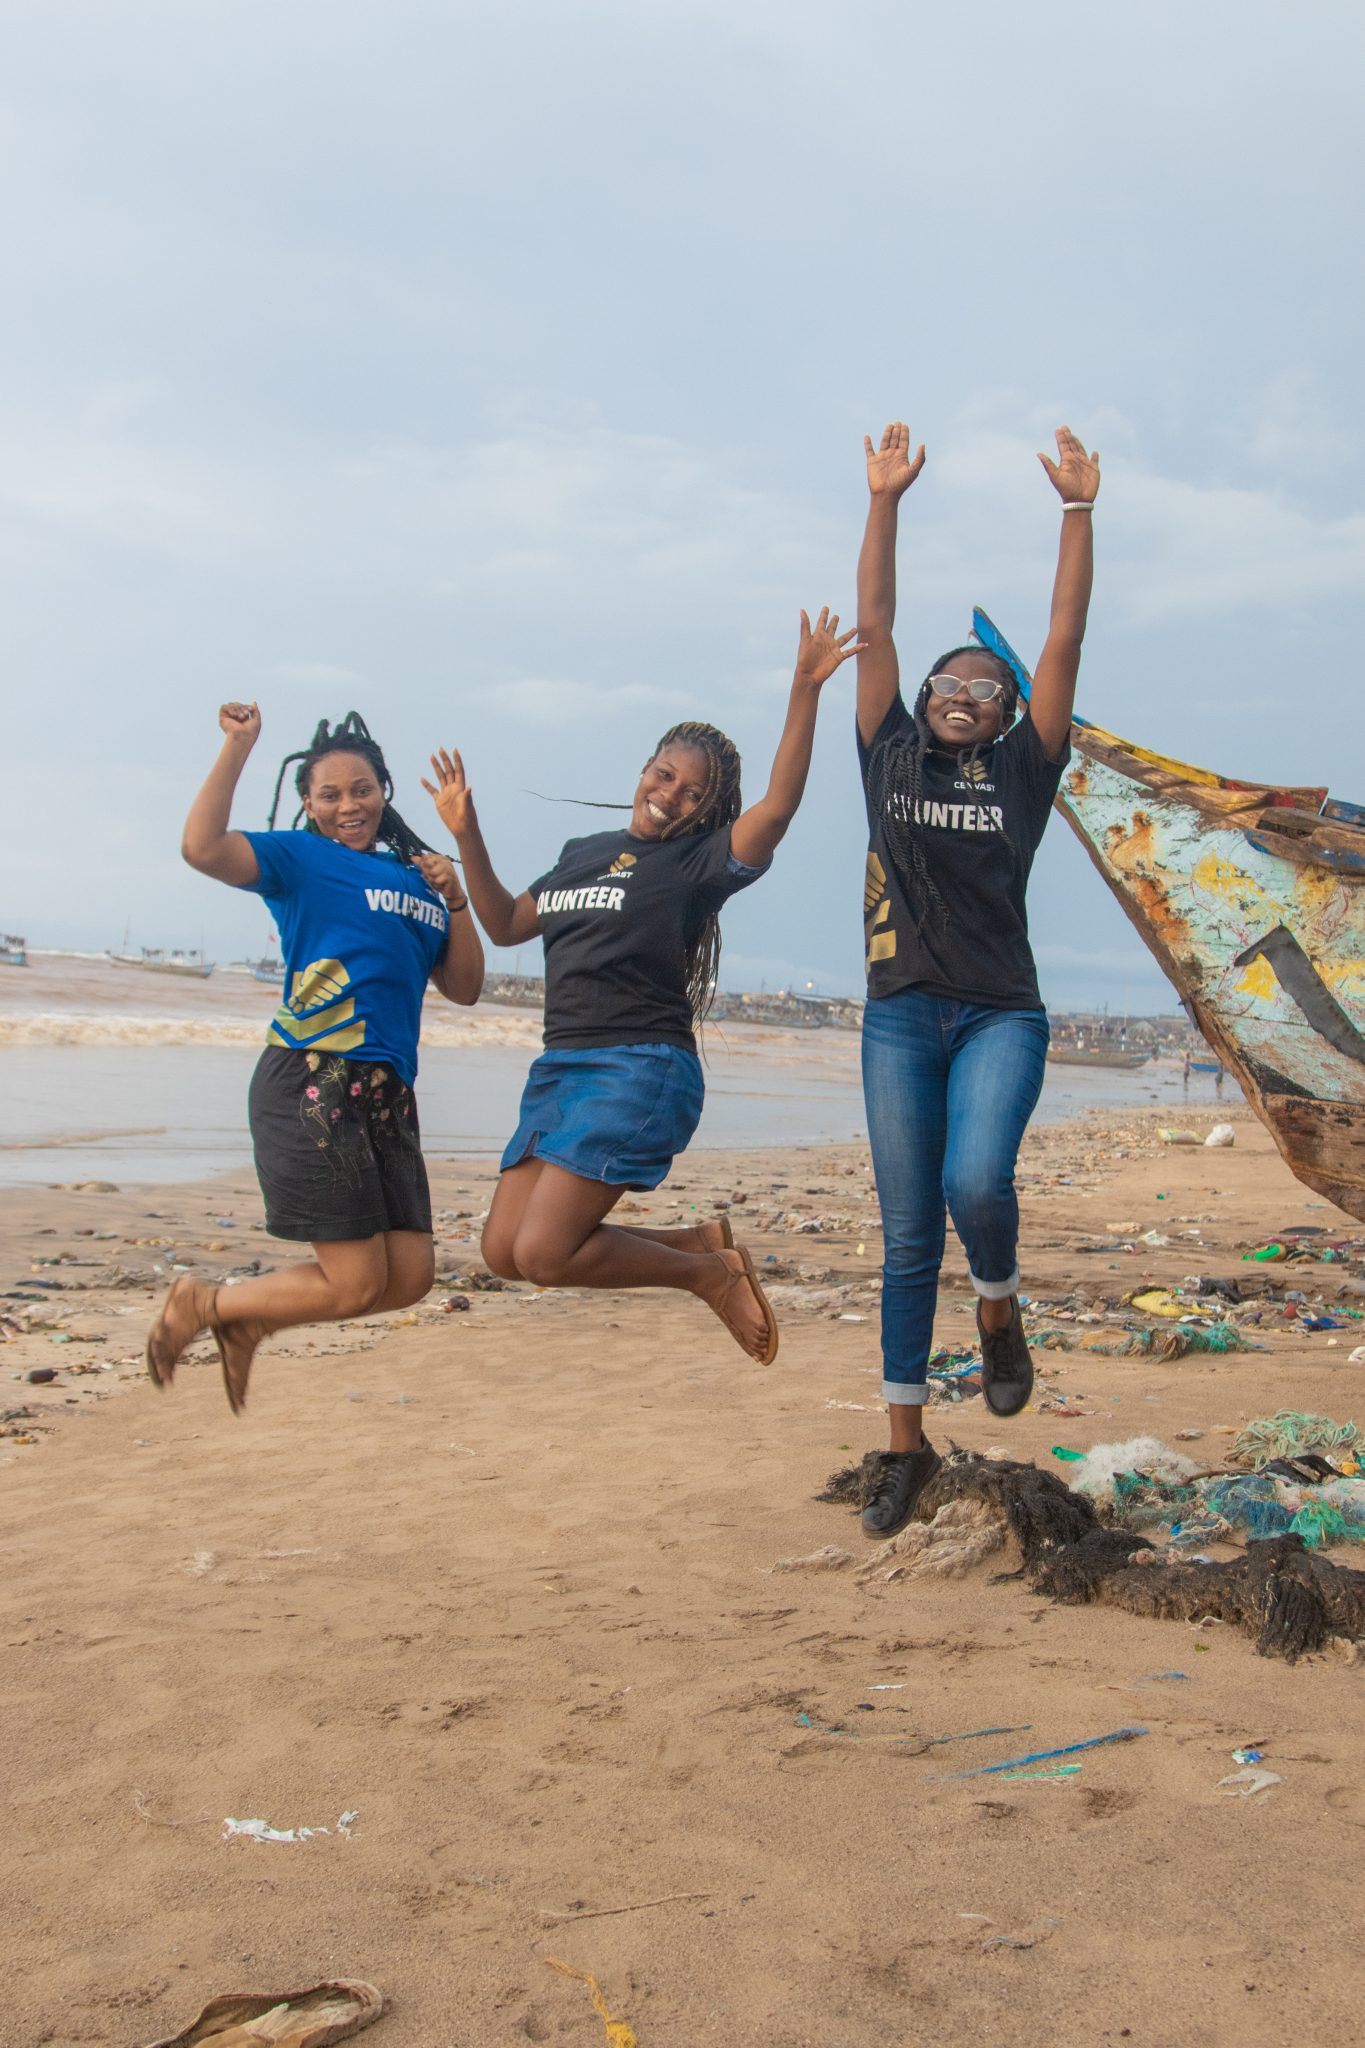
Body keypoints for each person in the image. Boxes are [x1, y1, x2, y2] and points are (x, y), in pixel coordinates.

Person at [422, 609, 862, 1363]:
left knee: (546, 1252)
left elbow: (780, 806)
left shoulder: (699, 865)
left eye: (693, 794)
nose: (671, 795)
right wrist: (466, 832)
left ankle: (705, 1276)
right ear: (644, 768)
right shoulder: (582, 851)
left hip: (639, 1068)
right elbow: (505, 924)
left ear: (707, 812)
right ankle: (695, 1244)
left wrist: (805, 687)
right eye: (665, 775)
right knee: (503, 1252)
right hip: (560, 1068)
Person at [854, 420, 1100, 1536]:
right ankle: (903, 1449)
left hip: (1001, 1013)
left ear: (1007, 715)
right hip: (900, 1016)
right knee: (909, 1237)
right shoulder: (887, 752)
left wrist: (1076, 511)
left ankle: (998, 1308)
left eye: (986, 686)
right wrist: (885, 500)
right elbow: (875, 623)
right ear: (924, 696)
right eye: (949, 679)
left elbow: (1062, 636)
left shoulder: (1024, 771)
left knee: (976, 1185)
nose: (963, 689)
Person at [145, 706, 485, 1410]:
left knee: (409, 1277)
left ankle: (247, 1321)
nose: (347, 805)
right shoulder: (299, 860)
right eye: (329, 795)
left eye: (361, 789)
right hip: (313, 1078)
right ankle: (203, 1303)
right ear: (308, 802)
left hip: (387, 1093)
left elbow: (464, 987)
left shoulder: (420, 877)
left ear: (384, 791)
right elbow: (201, 847)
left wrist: (456, 900)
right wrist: (238, 747)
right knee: (355, 1284)